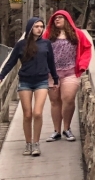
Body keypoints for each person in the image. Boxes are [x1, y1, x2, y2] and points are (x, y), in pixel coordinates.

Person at [0, 17, 60, 157]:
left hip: (42, 82)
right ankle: (28, 144)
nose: (40, 29)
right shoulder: (21, 44)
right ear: (30, 28)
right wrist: (1, 75)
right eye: (37, 26)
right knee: (27, 115)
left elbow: (51, 62)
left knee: (37, 113)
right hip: (25, 81)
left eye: (41, 26)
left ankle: (36, 144)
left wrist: (55, 79)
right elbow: (11, 62)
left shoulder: (46, 43)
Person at [43, 10, 92, 142]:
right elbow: (39, 50)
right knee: (55, 101)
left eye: (60, 18)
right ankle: (56, 131)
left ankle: (67, 128)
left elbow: (87, 48)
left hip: (70, 72)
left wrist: (82, 65)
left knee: (68, 98)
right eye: (55, 18)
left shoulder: (78, 34)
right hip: (52, 74)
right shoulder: (48, 34)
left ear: (67, 19)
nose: (57, 20)